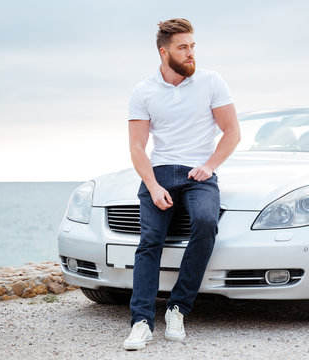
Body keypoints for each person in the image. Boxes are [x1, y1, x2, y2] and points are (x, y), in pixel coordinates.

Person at [124, 18, 240, 350]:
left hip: (198, 173)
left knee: (205, 222)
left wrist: (209, 165)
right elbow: (136, 146)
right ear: (164, 52)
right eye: (182, 48)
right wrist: (152, 184)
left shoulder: (212, 82)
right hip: (159, 172)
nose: (190, 54)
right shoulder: (143, 91)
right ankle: (142, 322)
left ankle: (177, 307)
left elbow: (232, 132)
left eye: (192, 46)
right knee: (150, 241)